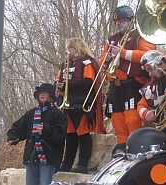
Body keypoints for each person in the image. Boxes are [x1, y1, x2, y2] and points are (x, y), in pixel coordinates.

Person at [99, 5, 155, 155]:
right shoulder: (111, 39)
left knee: (131, 120)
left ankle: (136, 147)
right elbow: (101, 62)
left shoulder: (140, 35)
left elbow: (148, 54)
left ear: (131, 21)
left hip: (132, 83)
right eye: (117, 21)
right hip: (115, 86)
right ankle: (122, 148)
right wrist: (107, 58)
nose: (119, 23)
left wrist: (123, 53)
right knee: (117, 121)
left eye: (123, 20)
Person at [56, 37, 106, 174]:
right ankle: (67, 163)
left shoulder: (87, 63)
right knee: (70, 134)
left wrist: (67, 86)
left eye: (71, 47)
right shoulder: (65, 64)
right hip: (68, 103)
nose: (68, 50)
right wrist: (59, 87)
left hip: (82, 102)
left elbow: (88, 83)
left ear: (77, 48)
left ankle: (82, 164)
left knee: (83, 132)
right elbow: (58, 79)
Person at [7, 83, 68, 185]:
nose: (41, 94)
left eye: (44, 92)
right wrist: (13, 137)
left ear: (51, 95)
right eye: (39, 93)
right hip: (31, 157)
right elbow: (18, 127)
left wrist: (46, 129)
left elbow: (61, 135)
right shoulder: (31, 113)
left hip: (48, 158)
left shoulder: (58, 114)